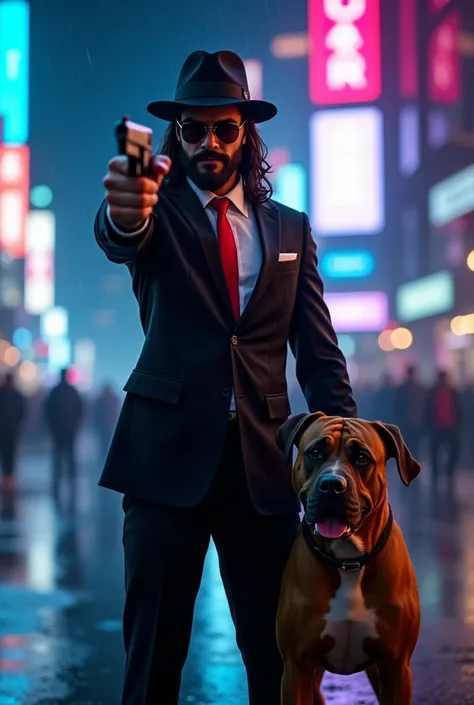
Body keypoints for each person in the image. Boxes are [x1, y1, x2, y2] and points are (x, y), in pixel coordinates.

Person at [95, 49, 356, 705]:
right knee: (151, 666)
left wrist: (350, 464)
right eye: (194, 129)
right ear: (177, 135)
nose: (209, 142)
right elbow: (124, 233)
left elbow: (319, 357)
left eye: (224, 128)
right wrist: (125, 212)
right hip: (162, 467)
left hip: (263, 476)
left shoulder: (291, 230)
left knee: (279, 663)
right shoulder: (158, 214)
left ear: (247, 132)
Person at [44, 368, 83, 498]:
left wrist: (52, 425)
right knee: (69, 456)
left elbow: (48, 410)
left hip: (59, 429)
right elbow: (80, 409)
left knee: (58, 456)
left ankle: (58, 480)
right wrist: (76, 424)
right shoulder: (72, 391)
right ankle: (71, 480)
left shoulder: (55, 392)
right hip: (68, 429)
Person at [0, 372, 26, 491]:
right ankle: (9, 477)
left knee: (6, 453)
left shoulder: (4, 395)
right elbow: (22, 412)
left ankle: (7, 476)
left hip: (5, 430)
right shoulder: (16, 395)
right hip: (11, 430)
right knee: (10, 453)